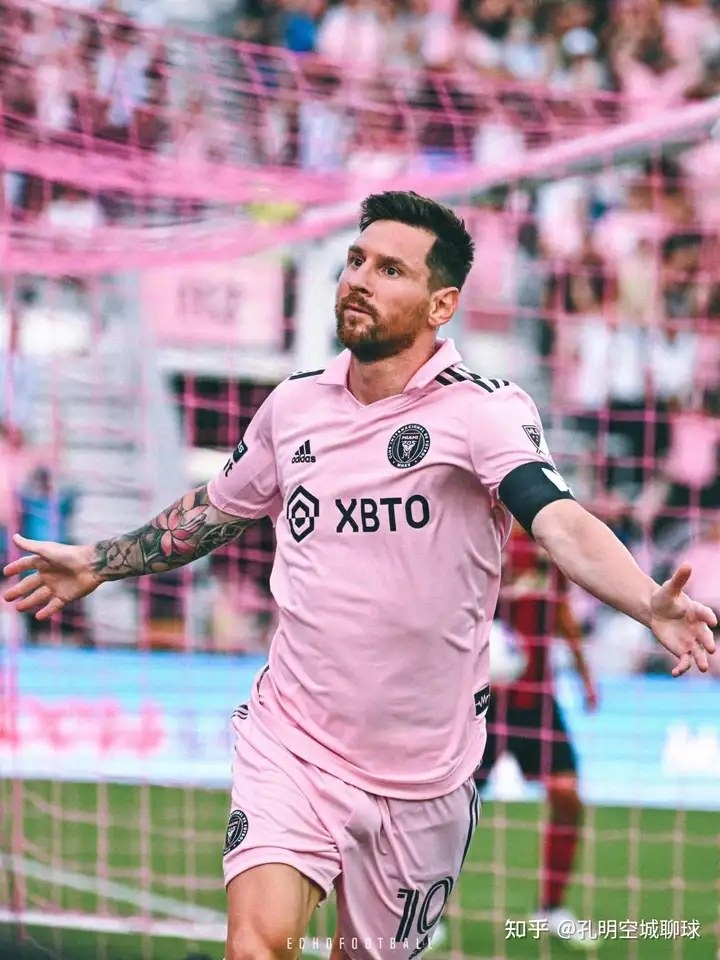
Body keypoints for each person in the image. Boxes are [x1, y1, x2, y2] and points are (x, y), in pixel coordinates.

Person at [2, 192, 716, 960]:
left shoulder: (484, 411)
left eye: (390, 269)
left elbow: (558, 519)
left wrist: (645, 601)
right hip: (294, 744)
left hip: (427, 779)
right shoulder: (293, 407)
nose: (360, 279)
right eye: (355, 260)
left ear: (441, 304)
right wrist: (98, 561)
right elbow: (213, 510)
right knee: (256, 947)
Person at [474, 521, 598, 946]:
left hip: (539, 702)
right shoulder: (486, 539)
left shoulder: (551, 541)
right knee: (449, 812)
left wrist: (584, 674)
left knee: (567, 796)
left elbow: (561, 612)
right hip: (485, 704)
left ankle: (552, 908)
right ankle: (424, 913)